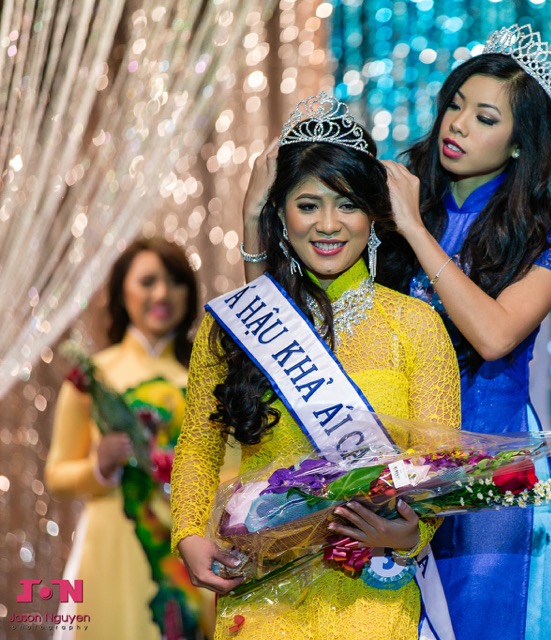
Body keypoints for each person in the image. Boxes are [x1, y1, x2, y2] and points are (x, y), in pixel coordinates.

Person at [238, 24, 551, 640]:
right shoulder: (398, 187)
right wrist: (254, 224)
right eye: (454, 106)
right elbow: (293, 314)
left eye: (483, 117)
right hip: (375, 448)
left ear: (521, 143)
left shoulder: (547, 236)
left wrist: (417, 233)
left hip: (483, 462)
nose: (457, 125)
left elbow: (495, 336)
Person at [170, 93, 461, 640]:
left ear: (373, 218)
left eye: (347, 204)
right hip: (261, 597)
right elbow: (197, 446)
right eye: (308, 205)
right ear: (280, 215)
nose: (328, 224)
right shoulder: (237, 324)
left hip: (370, 597)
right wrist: (188, 532)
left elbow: (438, 471)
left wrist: (407, 534)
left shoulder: (416, 325)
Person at [45, 237, 211, 640]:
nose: (162, 293)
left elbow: (229, 470)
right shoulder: (92, 376)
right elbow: (57, 475)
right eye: (147, 281)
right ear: (122, 291)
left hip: (188, 546)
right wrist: (100, 465)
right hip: (111, 547)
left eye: (174, 281)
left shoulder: (207, 377)